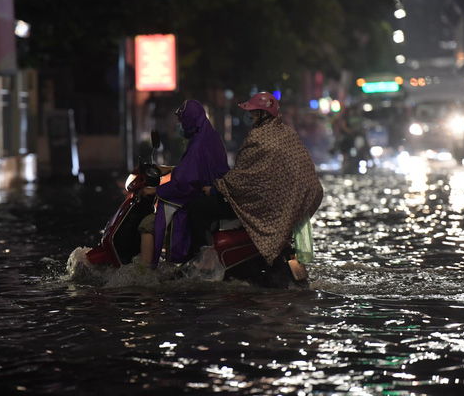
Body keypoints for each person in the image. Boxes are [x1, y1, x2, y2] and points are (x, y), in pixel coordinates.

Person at [187, 91, 324, 270]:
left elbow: (243, 177)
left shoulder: (258, 138)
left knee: (197, 208)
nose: (249, 117)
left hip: (263, 206)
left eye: (252, 113)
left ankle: (203, 261)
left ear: (262, 114)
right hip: (291, 205)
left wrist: (215, 188)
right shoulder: (289, 135)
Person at [138, 99, 230, 268]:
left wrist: (155, 191)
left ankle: (144, 274)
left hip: (197, 196)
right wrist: (172, 169)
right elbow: (196, 169)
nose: (180, 126)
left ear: (190, 120)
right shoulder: (209, 136)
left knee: (148, 225)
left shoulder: (198, 145)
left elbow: (186, 183)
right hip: (212, 194)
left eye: (182, 121)